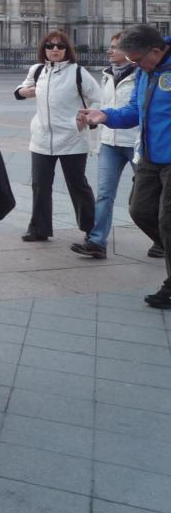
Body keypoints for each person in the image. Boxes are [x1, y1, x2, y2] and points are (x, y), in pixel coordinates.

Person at [79, 24, 171, 308]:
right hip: (149, 157)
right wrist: (104, 115)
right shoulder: (145, 72)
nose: (135, 65)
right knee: (140, 211)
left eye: (138, 59)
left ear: (156, 51)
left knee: (168, 220)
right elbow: (134, 111)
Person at [14, 29, 100, 242]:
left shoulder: (78, 72)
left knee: (77, 184)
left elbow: (98, 98)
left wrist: (86, 119)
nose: (54, 50)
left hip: (72, 138)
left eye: (60, 46)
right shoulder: (37, 70)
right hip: (42, 139)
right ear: (43, 49)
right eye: (50, 46)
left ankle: (92, 229)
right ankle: (39, 229)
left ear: (66, 50)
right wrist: (22, 92)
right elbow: (22, 90)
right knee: (40, 185)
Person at [73, 33, 138, 259]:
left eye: (115, 47)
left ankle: (161, 239)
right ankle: (97, 241)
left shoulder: (142, 76)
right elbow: (104, 106)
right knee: (104, 194)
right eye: (109, 47)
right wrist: (90, 119)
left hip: (135, 142)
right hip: (109, 142)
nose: (109, 51)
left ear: (130, 50)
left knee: (146, 198)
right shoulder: (107, 75)